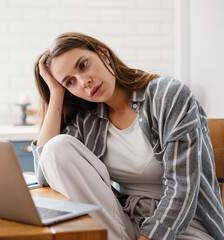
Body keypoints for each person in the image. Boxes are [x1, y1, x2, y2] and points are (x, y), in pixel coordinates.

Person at [31, 32, 224, 240]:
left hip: (184, 226)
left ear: (103, 53)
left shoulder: (168, 95)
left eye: (83, 65)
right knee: (56, 147)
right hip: (126, 222)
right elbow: (46, 171)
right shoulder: (89, 121)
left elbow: (183, 188)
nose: (84, 82)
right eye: (70, 82)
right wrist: (56, 93)